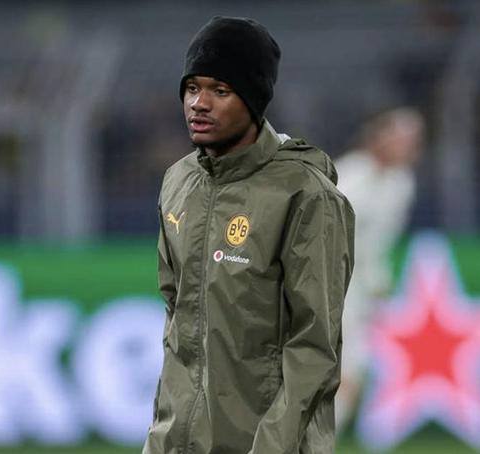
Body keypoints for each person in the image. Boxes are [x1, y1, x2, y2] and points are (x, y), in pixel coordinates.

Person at [142, 16, 354, 454]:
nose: (199, 103)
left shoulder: (306, 194)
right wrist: (162, 435)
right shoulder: (178, 182)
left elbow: (315, 346)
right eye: (192, 88)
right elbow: (177, 323)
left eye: (220, 90)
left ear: (254, 100)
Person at [333, 107, 424, 434]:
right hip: (328, 283)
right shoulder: (349, 175)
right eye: (399, 137)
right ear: (377, 137)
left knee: (350, 375)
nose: (405, 146)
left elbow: (381, 243)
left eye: (412, 140)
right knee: (335, 373)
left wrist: (377, 282)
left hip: (359, 292)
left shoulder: (401, 184)